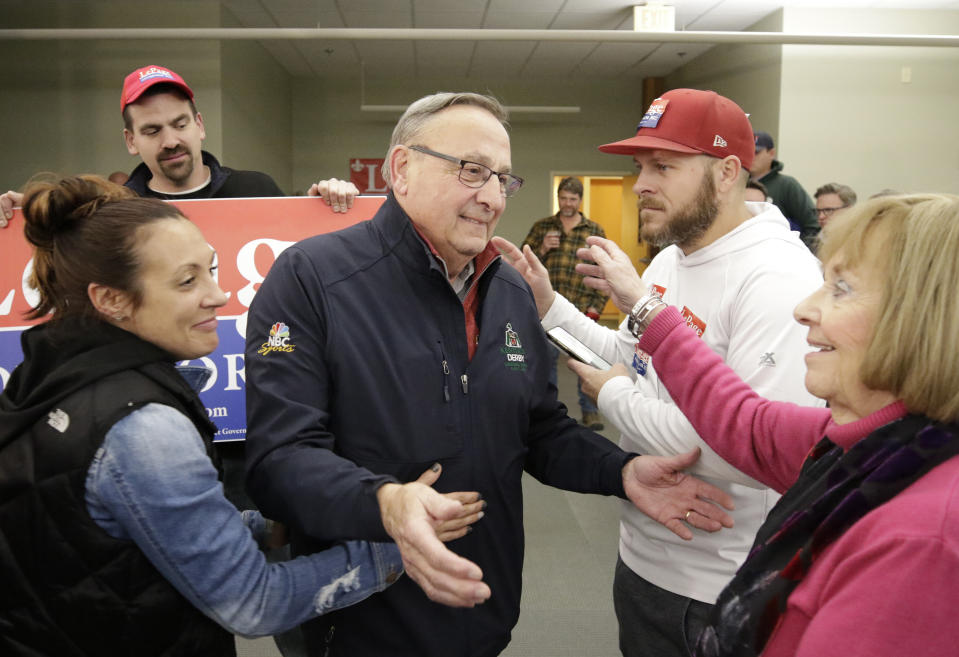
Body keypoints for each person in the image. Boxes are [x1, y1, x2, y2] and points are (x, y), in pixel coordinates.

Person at [243, 91, 736, 657]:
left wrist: (621, 472)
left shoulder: (507, 289)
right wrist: (384, 503)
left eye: (503, 178)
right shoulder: (312, 278)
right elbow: (278, 459)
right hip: (358, 621)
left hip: (484, 613)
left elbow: (537, 429)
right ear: (402, 169)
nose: (493, 197)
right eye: (473, 171)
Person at [0, 175, 411, 656]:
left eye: (212, 270)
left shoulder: (47, 377)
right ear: (110, 299)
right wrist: (396, 550)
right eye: (187, 280)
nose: (220, 296)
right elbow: (254, 602)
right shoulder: (143, 427)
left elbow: (106, 526)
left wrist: (254, 529)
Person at [493, 88, 823, 657]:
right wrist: (551, 307)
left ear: (725, 173)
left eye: (663, 166)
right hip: (646, 555)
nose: (640, 183)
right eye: (640, 166)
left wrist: (617, 399)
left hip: (724, 585)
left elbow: (749, 452)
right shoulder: (674, 255)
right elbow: (628, 357)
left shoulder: (778, 279)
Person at [570, 192, 959, 657]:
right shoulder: (857, 446)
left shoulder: (921, 538)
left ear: (922, 322)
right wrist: (646, 310)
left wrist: (614, 389)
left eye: (842, 289)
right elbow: (740, 420)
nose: (804, 309)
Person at [0, 64, 356, 228]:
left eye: (180, 124)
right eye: (152, 130)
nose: (171, 141)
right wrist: (25, 214)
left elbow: (303, 261)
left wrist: (325, 206)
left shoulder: (255, 189)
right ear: (131, 141)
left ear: (199, 125)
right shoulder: (114, 209)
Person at [521, 176, 609, 429]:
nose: (567, 203)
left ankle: (590, 411)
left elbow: (604, 271)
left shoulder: (593, 231)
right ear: (558, 198)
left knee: (585, 363)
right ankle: (549, 411)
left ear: (580, 200)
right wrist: (543, 249)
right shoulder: (543, 227)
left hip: (580, 309)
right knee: (545, 363)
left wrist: (596, 306)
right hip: (545, 310)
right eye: (563, 198)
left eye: (572, 198)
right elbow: (522, 262)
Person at [751, 130, 819, 248]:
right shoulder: (735, 184)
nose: (751, 157)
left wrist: (795, 252)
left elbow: (813, 225)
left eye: (756, 152)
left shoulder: (787, 185)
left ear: (771, 153)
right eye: (747, 151)